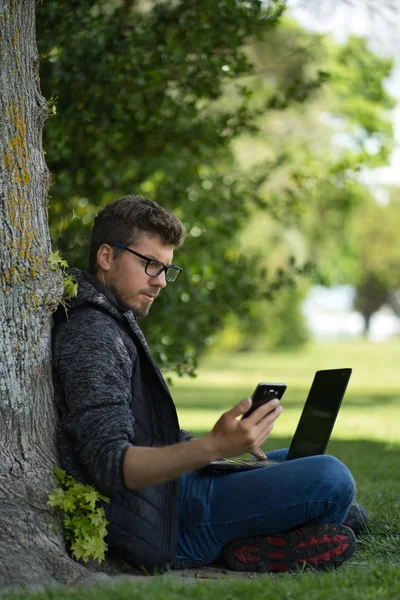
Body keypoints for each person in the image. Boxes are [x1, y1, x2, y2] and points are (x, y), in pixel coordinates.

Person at [52, 195, 365, 575]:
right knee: (330, 478)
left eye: (168, 269)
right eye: (150, 264)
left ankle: (263, 540)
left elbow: (142, 428)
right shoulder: (93, 335)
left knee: (314, 475)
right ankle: (228, 544)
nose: (161, 281)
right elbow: (110, 466)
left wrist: (217, 450)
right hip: (162, 520)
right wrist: (212, 447)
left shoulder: (113, 316)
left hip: (172, 490)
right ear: (106, 256)